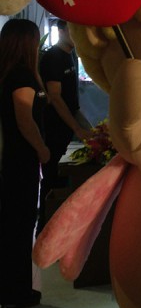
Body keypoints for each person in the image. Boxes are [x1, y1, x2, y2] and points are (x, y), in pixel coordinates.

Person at [0, 18, 49, 308]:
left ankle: (13, 288)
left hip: (14, 159)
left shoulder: (11, 73)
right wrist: (42, 149)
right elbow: (24, 120)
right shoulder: (21, 76)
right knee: (19, 224)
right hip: (20, 160)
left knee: (14, 223)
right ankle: (15, 292)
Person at [38, 19, 91, 230]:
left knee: (62, 175)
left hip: (66, 127)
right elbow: (55, 98)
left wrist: (86, 127)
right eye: (73, 30)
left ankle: (58, 226)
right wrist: (77, 128)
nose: (77, 34)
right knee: (52, 176)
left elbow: (71, 102)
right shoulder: (53, 57)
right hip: (53, 128)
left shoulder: (70, 55)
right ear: (60, 30)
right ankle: (44, 226)